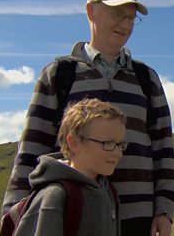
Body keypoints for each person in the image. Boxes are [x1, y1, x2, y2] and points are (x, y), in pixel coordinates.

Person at [2, 0, 174, 236]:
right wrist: (14, 212)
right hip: (75, 215)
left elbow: (163, 146)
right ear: (90, 11)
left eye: (131, 18)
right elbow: (32, 146)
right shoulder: (59, 74)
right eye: (117, 14)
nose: (125, 25)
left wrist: (164, 210)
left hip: (139, 217)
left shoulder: (146, 78)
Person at [14, 98, 126, 235]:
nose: (118, 153)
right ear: (74, 142)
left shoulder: (108, 190)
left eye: (120, 145)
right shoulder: (54, 196)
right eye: (108, 143)